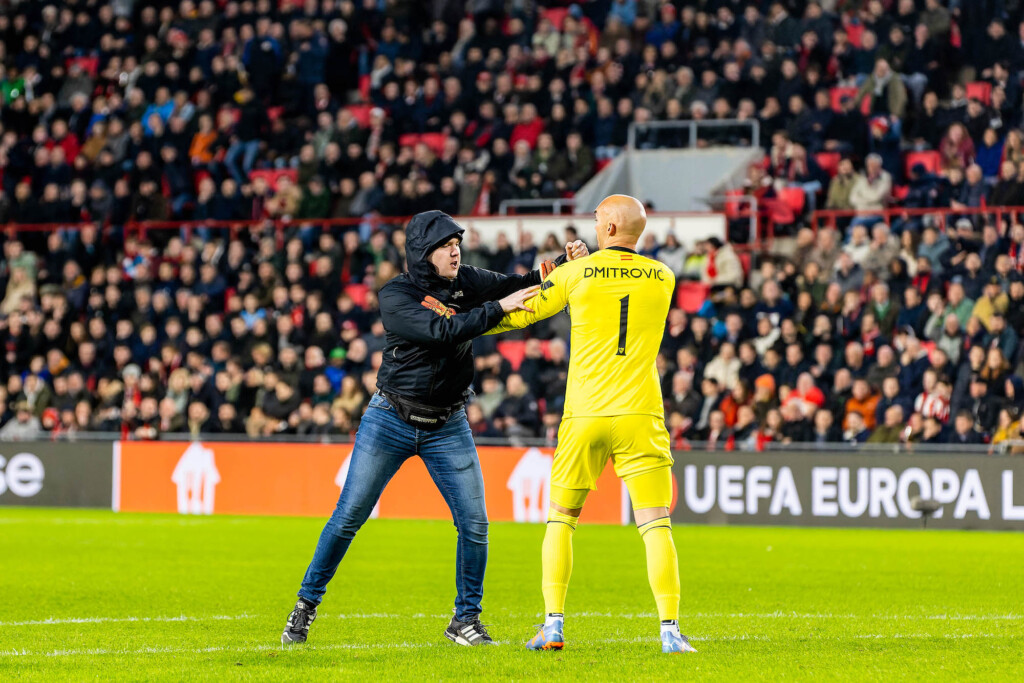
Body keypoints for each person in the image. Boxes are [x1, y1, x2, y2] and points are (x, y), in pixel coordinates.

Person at [281, 210, 588, 647]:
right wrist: (496, 309)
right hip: (390, 418)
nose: (455, 252)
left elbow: (517, 283)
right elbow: (442, 331)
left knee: (475, 525)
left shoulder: (467, 279)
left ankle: (465, 620)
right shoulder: (396, 294)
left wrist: (563, 262)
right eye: (446, 246)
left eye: (457, 244)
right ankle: (305, 605)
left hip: (448, 423)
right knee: (348, 516)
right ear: (423, 252)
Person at [487, 195, 695, 654]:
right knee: (656, 524)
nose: (595, 224)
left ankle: (553, 625)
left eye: (599, 219)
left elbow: (523, 312)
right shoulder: (664, 276)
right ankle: (670, 631)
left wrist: (471, 324)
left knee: (561, 519)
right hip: (640, 413)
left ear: (610, 227)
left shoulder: (576, 273)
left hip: (585, 414)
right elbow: (617, 286)